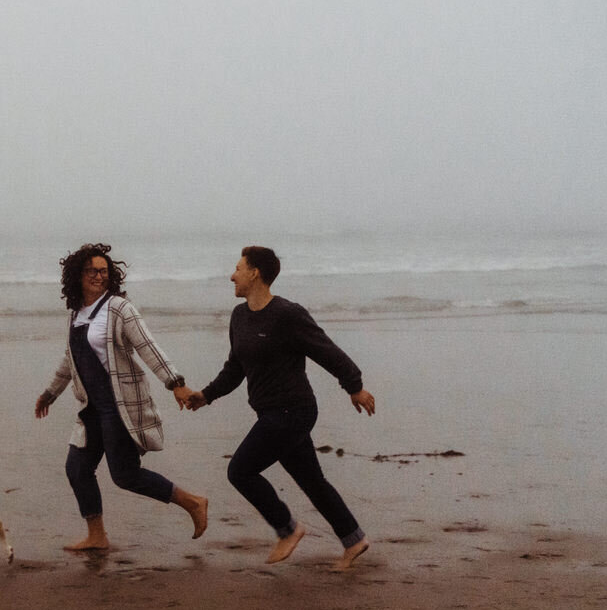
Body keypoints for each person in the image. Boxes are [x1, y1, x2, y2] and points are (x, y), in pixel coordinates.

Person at [188, 246, 375, 569]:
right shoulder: (239, 316)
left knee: (240, 471)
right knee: (312, 481)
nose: (232, 275)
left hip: (293, 411)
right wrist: (206, 395)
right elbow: (235, 368)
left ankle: (287, 529)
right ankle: (354, 539)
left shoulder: (288, 314)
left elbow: (326, 351)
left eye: (238, 268)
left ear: (255, 273)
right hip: (271, 412)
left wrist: (354, 386)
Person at [35, 243, 209, 551]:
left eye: (103, 271)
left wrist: (176, 383)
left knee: (125, 476)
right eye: (91, 270)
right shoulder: (76, 314)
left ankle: (193, 502)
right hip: (91, 408)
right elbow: (70, 360)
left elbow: (148, 348)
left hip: (119, 406)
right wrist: (50, 393)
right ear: (77, 275)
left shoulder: (119, 309)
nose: (98, 276)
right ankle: (97, 536)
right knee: (77, 468)